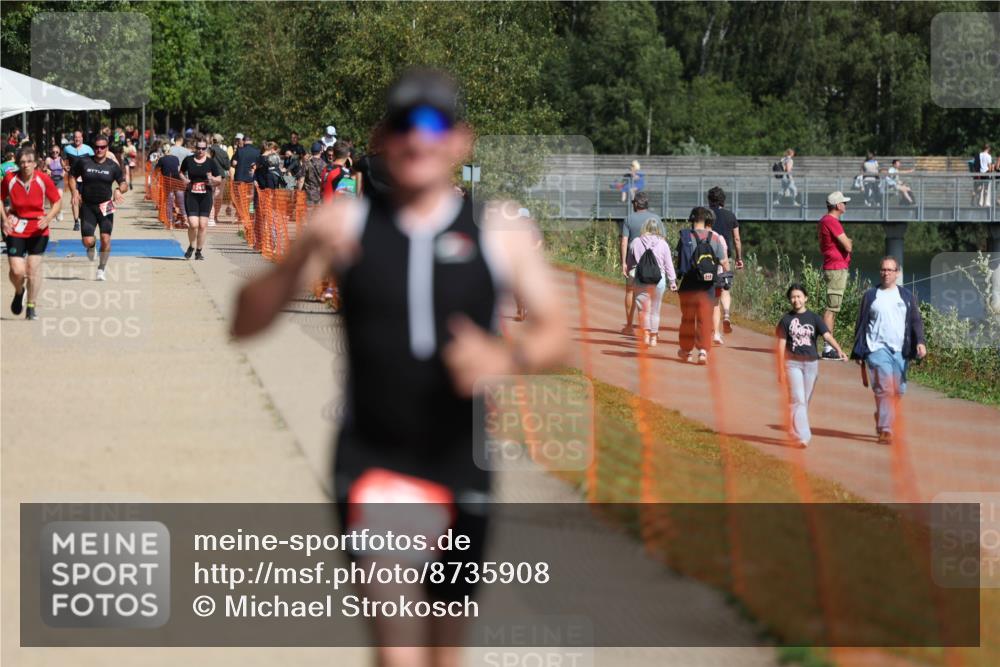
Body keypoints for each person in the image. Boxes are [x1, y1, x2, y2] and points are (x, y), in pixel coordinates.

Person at [232, 68, 567, 667]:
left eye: (434, 125)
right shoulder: (345, 225)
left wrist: (505, 355)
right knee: (398, 651)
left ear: (460, 140)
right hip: (373, 456)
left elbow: (557, 334)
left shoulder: (501, 231)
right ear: (383, 138)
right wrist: (296, 263)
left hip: (458, 456)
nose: (418, 139)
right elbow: (244, 323)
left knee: (444, 652)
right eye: (404, 125)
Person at [851, 256, 927, 445]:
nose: (886, 273)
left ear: (897, 273)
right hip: (876, 348)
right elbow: (861, 324)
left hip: (901, 350)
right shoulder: (871, 296)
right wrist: (859, 351)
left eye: (890, 270)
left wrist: (920, 342)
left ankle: (882, 414)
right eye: (883, 270)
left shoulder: (907, 296)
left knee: (899, 390)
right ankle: (886, 429)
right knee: (885, 387)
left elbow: (916, 321)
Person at [776, 283, 848, 448]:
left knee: (804, 401)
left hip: (811, 364)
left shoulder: (814, 318)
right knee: (798, 399)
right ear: (789, 299)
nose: (796, 300)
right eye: (793, 297)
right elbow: (781, 345)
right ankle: (803, 436)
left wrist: (839, 350)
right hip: (792, 363)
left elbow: (827, 336)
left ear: (805, 298)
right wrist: (780, 369)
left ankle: (792, 427)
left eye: (799, 296)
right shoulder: (786, 320)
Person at [1, 148, 62, 320]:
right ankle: (19, 291)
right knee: (17, 271)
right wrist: (4, 219)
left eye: (29, 162)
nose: (25, 165)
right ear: (18, 164)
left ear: (35, 163)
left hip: (38, 229)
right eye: (22, 162)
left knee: (32, 269)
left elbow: (57, 202)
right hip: (16, 227)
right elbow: (0, 197)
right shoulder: (10, 179)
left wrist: (49, 217)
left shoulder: (43, 179)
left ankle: (31, 306)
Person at [66, 135, 128, 281]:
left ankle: (101, 269)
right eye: (97, 147)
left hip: (106, 205)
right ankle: (92, 246)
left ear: (107, 148)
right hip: (88, 205)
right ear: (93, 148)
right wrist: (74, 191)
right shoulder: (84, 161)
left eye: (103, 147)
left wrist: (119, 190)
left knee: (106, 239)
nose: (99, 150)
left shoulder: (112, 166)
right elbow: (71, 176)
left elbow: (123, 183)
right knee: (87, 240)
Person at [676, 206, 728, 364]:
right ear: (706, 221)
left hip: (689, 285)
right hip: (708, 286)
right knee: (705, 319)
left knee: (688, 319)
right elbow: (724, 262)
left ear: (692, 219)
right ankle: (703, 351)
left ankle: (686, 351)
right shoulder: (715, 238)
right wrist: (726, 277)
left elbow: (679, 260)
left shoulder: (685, 237)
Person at [618, 191, 665, 334]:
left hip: (635, 263)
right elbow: (663, 241)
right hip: (655, 265)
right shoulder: (656, 218)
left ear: (635, 204)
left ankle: (629, 325)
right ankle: (650, 328)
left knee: (631, 291)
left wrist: (624, 262)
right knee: (653, 294)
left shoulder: (629, 219)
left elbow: (624, 241)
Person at [627, 219, 677, 346]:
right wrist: (672, 281)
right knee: (655, 310)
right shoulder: (663, 244)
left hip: (641, 279)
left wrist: (629, 271)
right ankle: (654, 338)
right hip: (658, 280)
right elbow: (668, 264)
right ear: (658, 229)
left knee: (643, 310)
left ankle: (646, 335)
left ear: (644, 228)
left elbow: (630, 262)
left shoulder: (636, 242)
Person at [817, 191, 853, 360]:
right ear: (838, 205)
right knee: (831, 309)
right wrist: (849, 241)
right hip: (836, 268)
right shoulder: (832, 221)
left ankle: (828, 344)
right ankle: (828, 347)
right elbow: (848, 245)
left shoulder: (826, 221)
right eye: (844, 203)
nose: (846, 205)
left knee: (833, 307)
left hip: (834, 267)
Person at [707, 186, 743, 342]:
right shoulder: (731, 216)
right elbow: (736, 239)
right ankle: (726, 313)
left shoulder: (707, 215)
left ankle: (711, 327)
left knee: (711, 293)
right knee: (725, 288)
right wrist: (738, 258)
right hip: (725, 257)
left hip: (707, 257)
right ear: (724, 200)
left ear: (709, 200)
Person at [180, 136, 222, 260]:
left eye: (203, 148)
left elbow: (219, 179)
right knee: (193, 224)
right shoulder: (188, 160)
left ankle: (198, 251)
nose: (200, 151)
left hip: (206, 196)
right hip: (191, 194)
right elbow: (181, 172)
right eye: (198, 148)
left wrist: (212, 179)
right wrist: (185, 180)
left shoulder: (210, 162)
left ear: (206, 148)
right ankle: (191, 246)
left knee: (203, 225)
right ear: (195, 148)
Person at [63, 131, 95, 231]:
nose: (77, 139)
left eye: (79, 137)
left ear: (82, 138)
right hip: (73, 177)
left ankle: (83, 215)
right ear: (73, 138)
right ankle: (76, 221)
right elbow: (62, 158)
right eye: (75, 137)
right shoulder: (67, 148)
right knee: (75, 197)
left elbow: (94, 161)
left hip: (86, 177)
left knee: (83, 200)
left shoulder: (88, 149)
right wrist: (64, 166)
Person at [156, 145, 185, 227]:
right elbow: (178, 169)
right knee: (181, 202)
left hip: (168, 181)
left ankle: (170, 223)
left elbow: (157, 170)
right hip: (177, 181)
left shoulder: (162, 159)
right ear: (170, 150)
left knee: (169, 201)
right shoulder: (176, 158)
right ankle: (185, 219)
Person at [209, 133, 231, 224]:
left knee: (210, 197)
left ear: (212, 140)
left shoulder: (207, 150)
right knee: (219, 197)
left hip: (209, 176)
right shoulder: (223, 153)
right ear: (220, 141)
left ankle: (209, 217)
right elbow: (227, 166)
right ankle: (215, 217)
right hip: (221, 177)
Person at [301, 141, 327, 206]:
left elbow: (301, 180)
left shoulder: (306, 163)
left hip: (308, 195)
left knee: (308, 215)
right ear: (321, 151)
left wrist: (299, 192)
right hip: (319, 195)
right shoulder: (325, 165)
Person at [46, 146, 65, 222]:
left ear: (59, 152)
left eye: (56, 152)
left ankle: (59, 212)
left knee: (59, 197)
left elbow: (64, 168)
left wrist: (63, 173)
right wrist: (47, 170)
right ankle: (54, 214)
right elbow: (45, 168)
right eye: (53, 152)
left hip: (59, 180)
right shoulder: (48, 159)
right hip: (51, 180)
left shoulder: (61, 159)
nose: (55, 153)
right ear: (51, 152)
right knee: (52, 199)